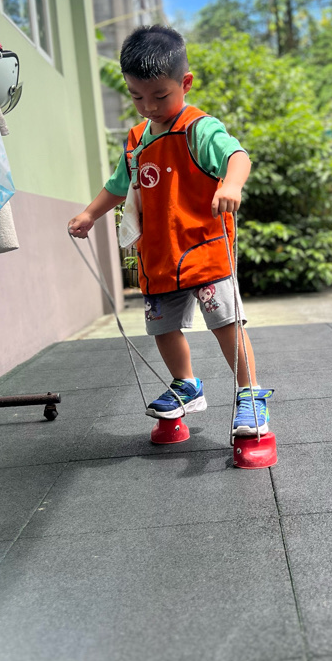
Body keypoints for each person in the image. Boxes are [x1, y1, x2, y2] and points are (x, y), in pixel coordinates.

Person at [68, 25, 272, 436]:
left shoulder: (199, 128)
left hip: (203, 248)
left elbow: (237, 156)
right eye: (136, 97)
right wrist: (90, 214)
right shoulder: (137, 140)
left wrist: (231, 185)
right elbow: (119, 185)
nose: (148, 107)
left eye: (160, 96)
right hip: (159, 254)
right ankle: (186, 385)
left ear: (185, 83)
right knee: (162, 327)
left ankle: (250, 393)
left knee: (225, 323)